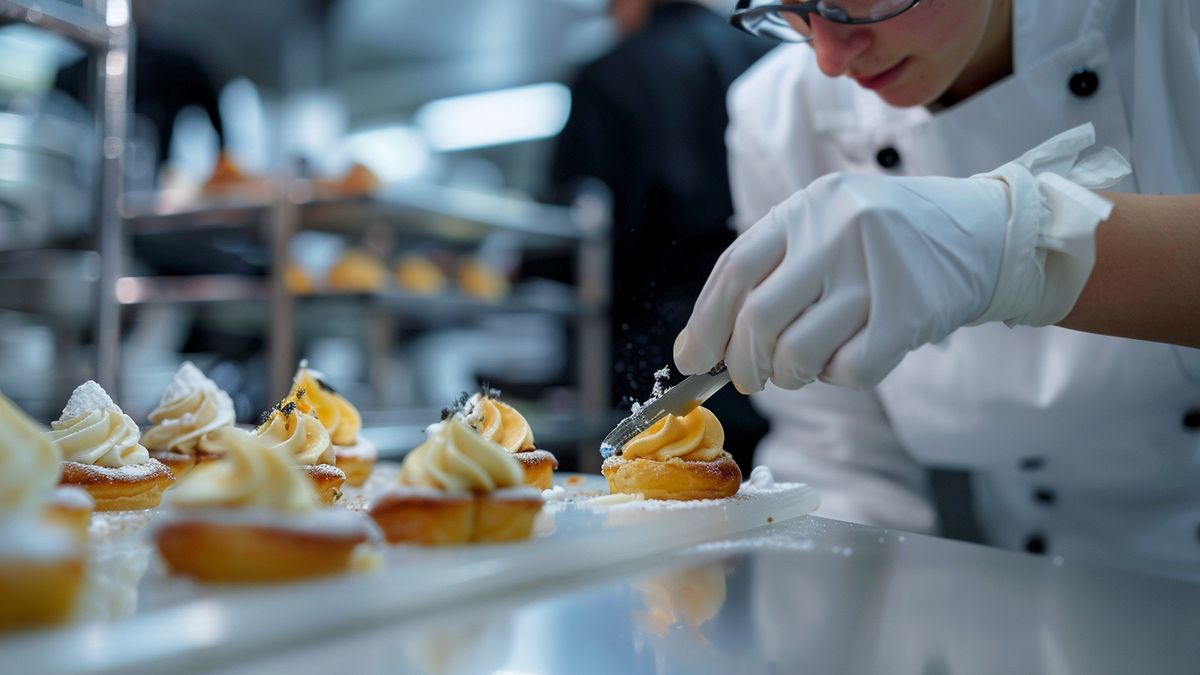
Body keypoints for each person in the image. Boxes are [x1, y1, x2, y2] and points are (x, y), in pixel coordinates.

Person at [674, 0, 1200, 580]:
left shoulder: (1169, 23)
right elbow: (840, 459)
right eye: (789, 8)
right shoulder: (780, 115)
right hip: (1043, 583)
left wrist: (1017, 246)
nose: (828, 56)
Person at [548, 0, 772, 467]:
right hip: (763, 351)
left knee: (646, 511)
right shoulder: (765, 62)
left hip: (648, 357)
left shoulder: (611, 74)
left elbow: (569, 239)